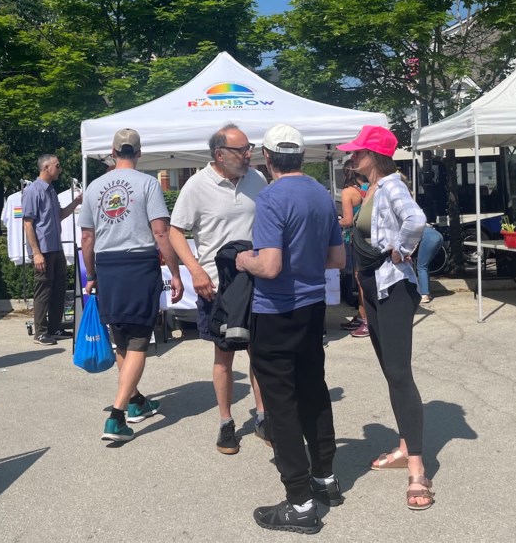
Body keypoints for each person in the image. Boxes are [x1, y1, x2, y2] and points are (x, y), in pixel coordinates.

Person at [235, 124, 345, 534]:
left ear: (267, 157)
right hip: (312, 306)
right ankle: (325, 479)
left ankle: (299, 502)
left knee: (280, 404)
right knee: (313, 390)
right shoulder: (320, 193)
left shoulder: (270, 197)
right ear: (301, 156)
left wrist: (244, 260)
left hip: (276, 309)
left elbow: (270, 265)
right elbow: (336, 258)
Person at [336, 125, 433, 511]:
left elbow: (416, 220)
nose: (351, 158)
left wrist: (399, 251)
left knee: (399, 374)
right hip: (376, 290)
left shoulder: (391, 185)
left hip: (394, 289)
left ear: (374, 156)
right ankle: (406, 447)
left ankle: (417, 469)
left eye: (357, 153)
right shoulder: (372, 188)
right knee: (391, 371)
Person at [168, 123, 269, 455]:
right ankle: (226, 423)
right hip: (216, 286)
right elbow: (175, 232)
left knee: (259, 351)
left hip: (256, 282)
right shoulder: (197, 185)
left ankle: (263, 416)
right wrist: (195, 271)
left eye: (248, 147)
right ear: (220, 154)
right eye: (241, 150)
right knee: (223, 355)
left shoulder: (258, 179)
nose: (248, 153)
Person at [80, 128, 184, 442]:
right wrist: (176, 273)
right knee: (139, 338)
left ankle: (137, 402)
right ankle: (117, 415)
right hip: (138, 263)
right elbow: (161, 233)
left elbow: (87, 238)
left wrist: (92, 273)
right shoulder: (148, 184)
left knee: (122, 338)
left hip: (108, 266)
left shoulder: (94, 187)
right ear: (138, 153)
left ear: (112, 152)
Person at [22, 154, 84, 346]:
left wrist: (76, 202)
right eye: (57, 166)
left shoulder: (51, 191)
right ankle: (40, 332)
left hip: (56, 248)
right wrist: (36, 252)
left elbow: (58, 216)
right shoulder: (33, 191)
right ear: (46, 168)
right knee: (43, 290)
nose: (60, 169)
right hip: (44, 250)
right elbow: (28, 223)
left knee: (58, 289)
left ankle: (54, 328)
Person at [338, 166, 370, 336]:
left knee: (360, 280)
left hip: (355, 239)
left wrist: (334, 222)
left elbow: (348, 221)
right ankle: (361, 315)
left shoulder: (347, 192)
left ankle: (366, 320)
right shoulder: (367, 188)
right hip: (368, 238)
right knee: (362, 279)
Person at [415, 224, 444, 305]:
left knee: (421, 266)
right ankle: (426, 292)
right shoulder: (418, 221)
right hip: (438, 235)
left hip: (429, 238)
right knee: (425, 265)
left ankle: (424, 294)